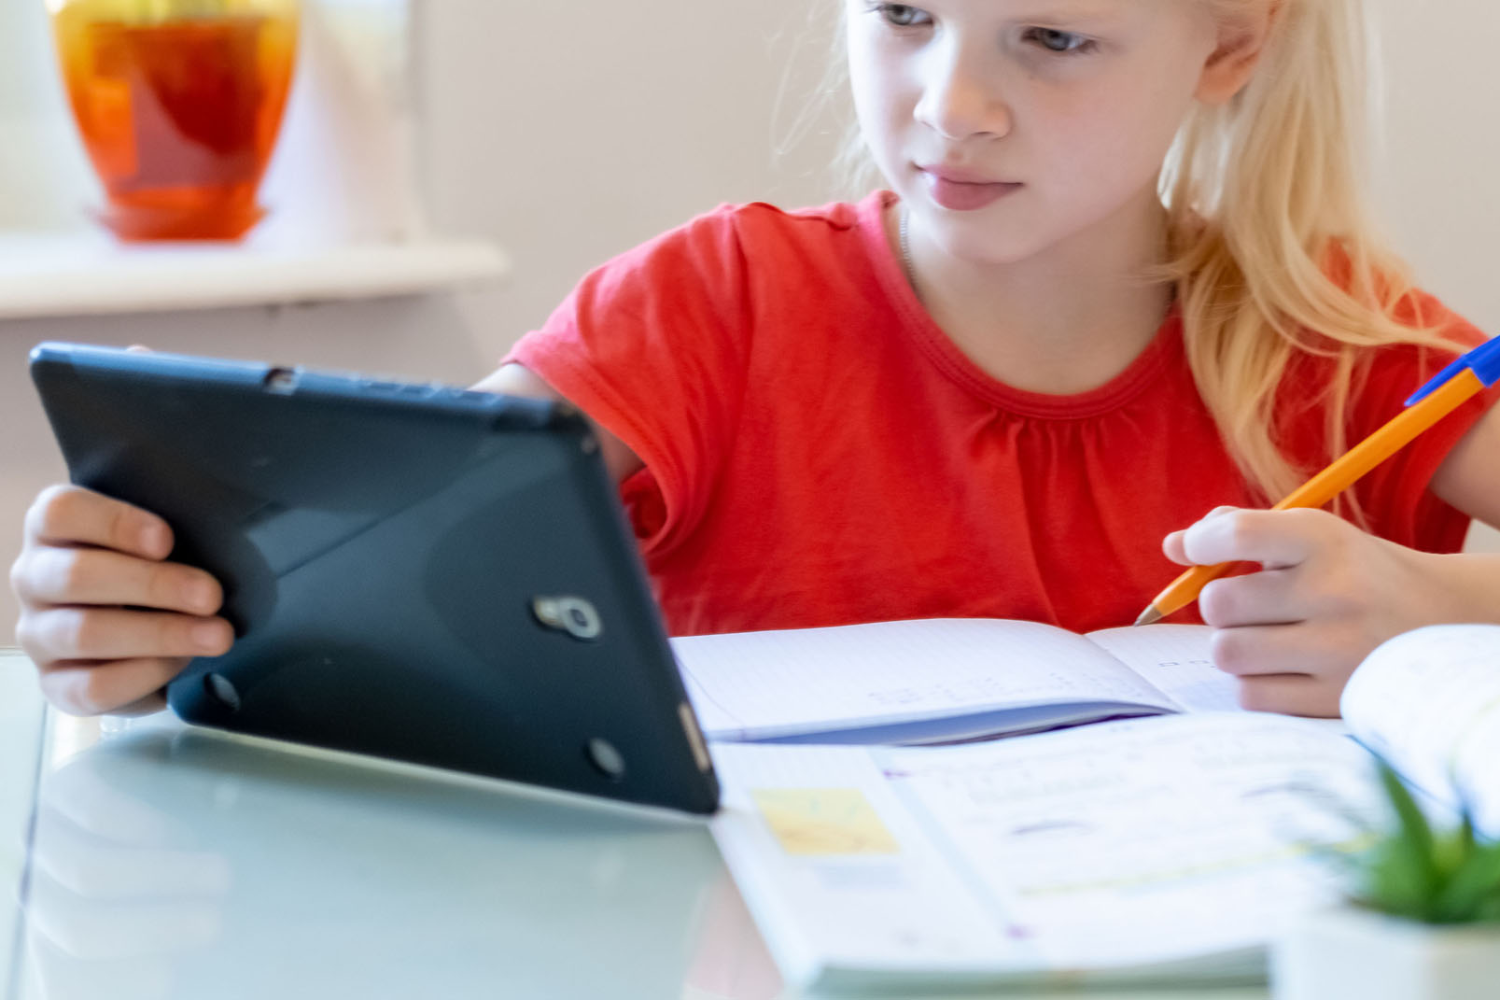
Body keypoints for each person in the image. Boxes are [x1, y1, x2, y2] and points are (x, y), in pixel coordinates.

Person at [12, 0, 1500, 720]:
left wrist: (1439, 605)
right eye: (905, 13)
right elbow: (367, 562)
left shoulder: (1328, 336)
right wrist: (152, 612)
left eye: (1052, 38)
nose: (951, 105)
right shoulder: (714, 306)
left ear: (1230, 45)